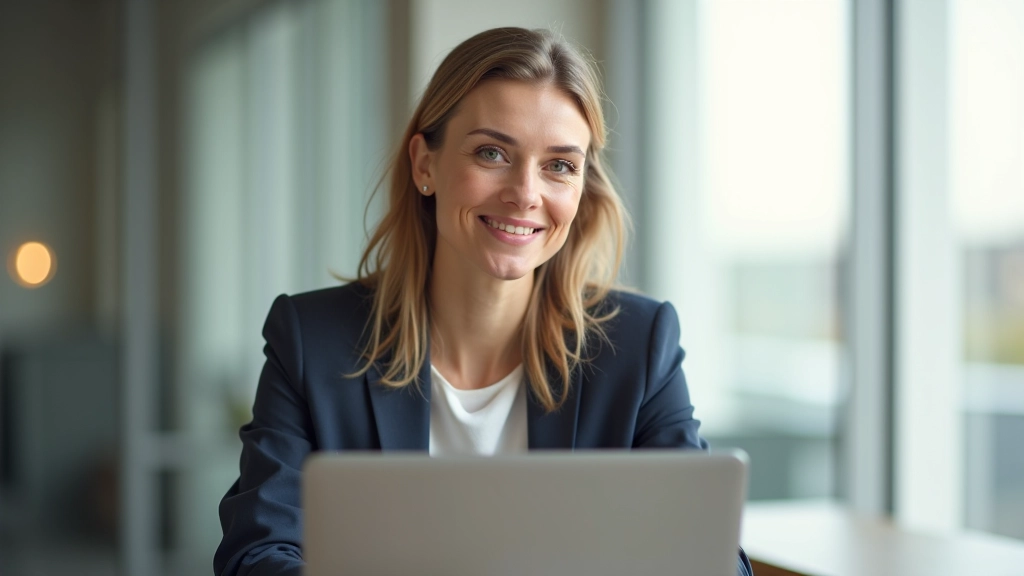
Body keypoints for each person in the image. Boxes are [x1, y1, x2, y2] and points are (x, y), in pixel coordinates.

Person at [214, 26, 753, 576]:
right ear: (425, 165)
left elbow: (710, 558)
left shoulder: (639, 345)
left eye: (560, 165)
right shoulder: (312, 340)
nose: (525, 193)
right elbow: (257, 553)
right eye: (492, 153)